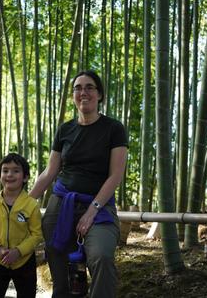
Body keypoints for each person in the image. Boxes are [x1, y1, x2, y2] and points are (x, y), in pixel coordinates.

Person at [30, 70, 128, 298]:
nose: (83, 92)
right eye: (78, 88)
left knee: (101, 256)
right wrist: (22, 202)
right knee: (54, 250)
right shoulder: (65, 129)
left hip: (99, 205)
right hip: (62, 201)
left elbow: (115, 175)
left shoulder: (113, 128)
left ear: (100, 94)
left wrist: (92, 210)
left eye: (89, 87)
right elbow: (50, 171)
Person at [0, 152, 43, 298]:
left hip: (24, 261)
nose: (9, 175)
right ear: (0, 176)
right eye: (5, 170)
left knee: (27, 294)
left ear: (25, 177)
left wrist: (18, 251)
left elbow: (36, 235)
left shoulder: (31, 205)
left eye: (16, 171)